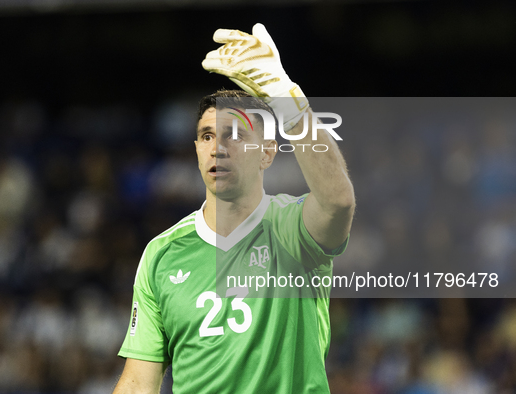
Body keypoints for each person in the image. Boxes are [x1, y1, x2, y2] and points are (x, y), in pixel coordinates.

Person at [113, 23, 355, 394]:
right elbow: (137, 382)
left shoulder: (293, 227)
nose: (218, 147)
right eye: (208, 135)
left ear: (268, 152)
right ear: (196, 150)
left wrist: (287, 100)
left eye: (235, 134)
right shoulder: (161, 254)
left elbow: (338, 201)